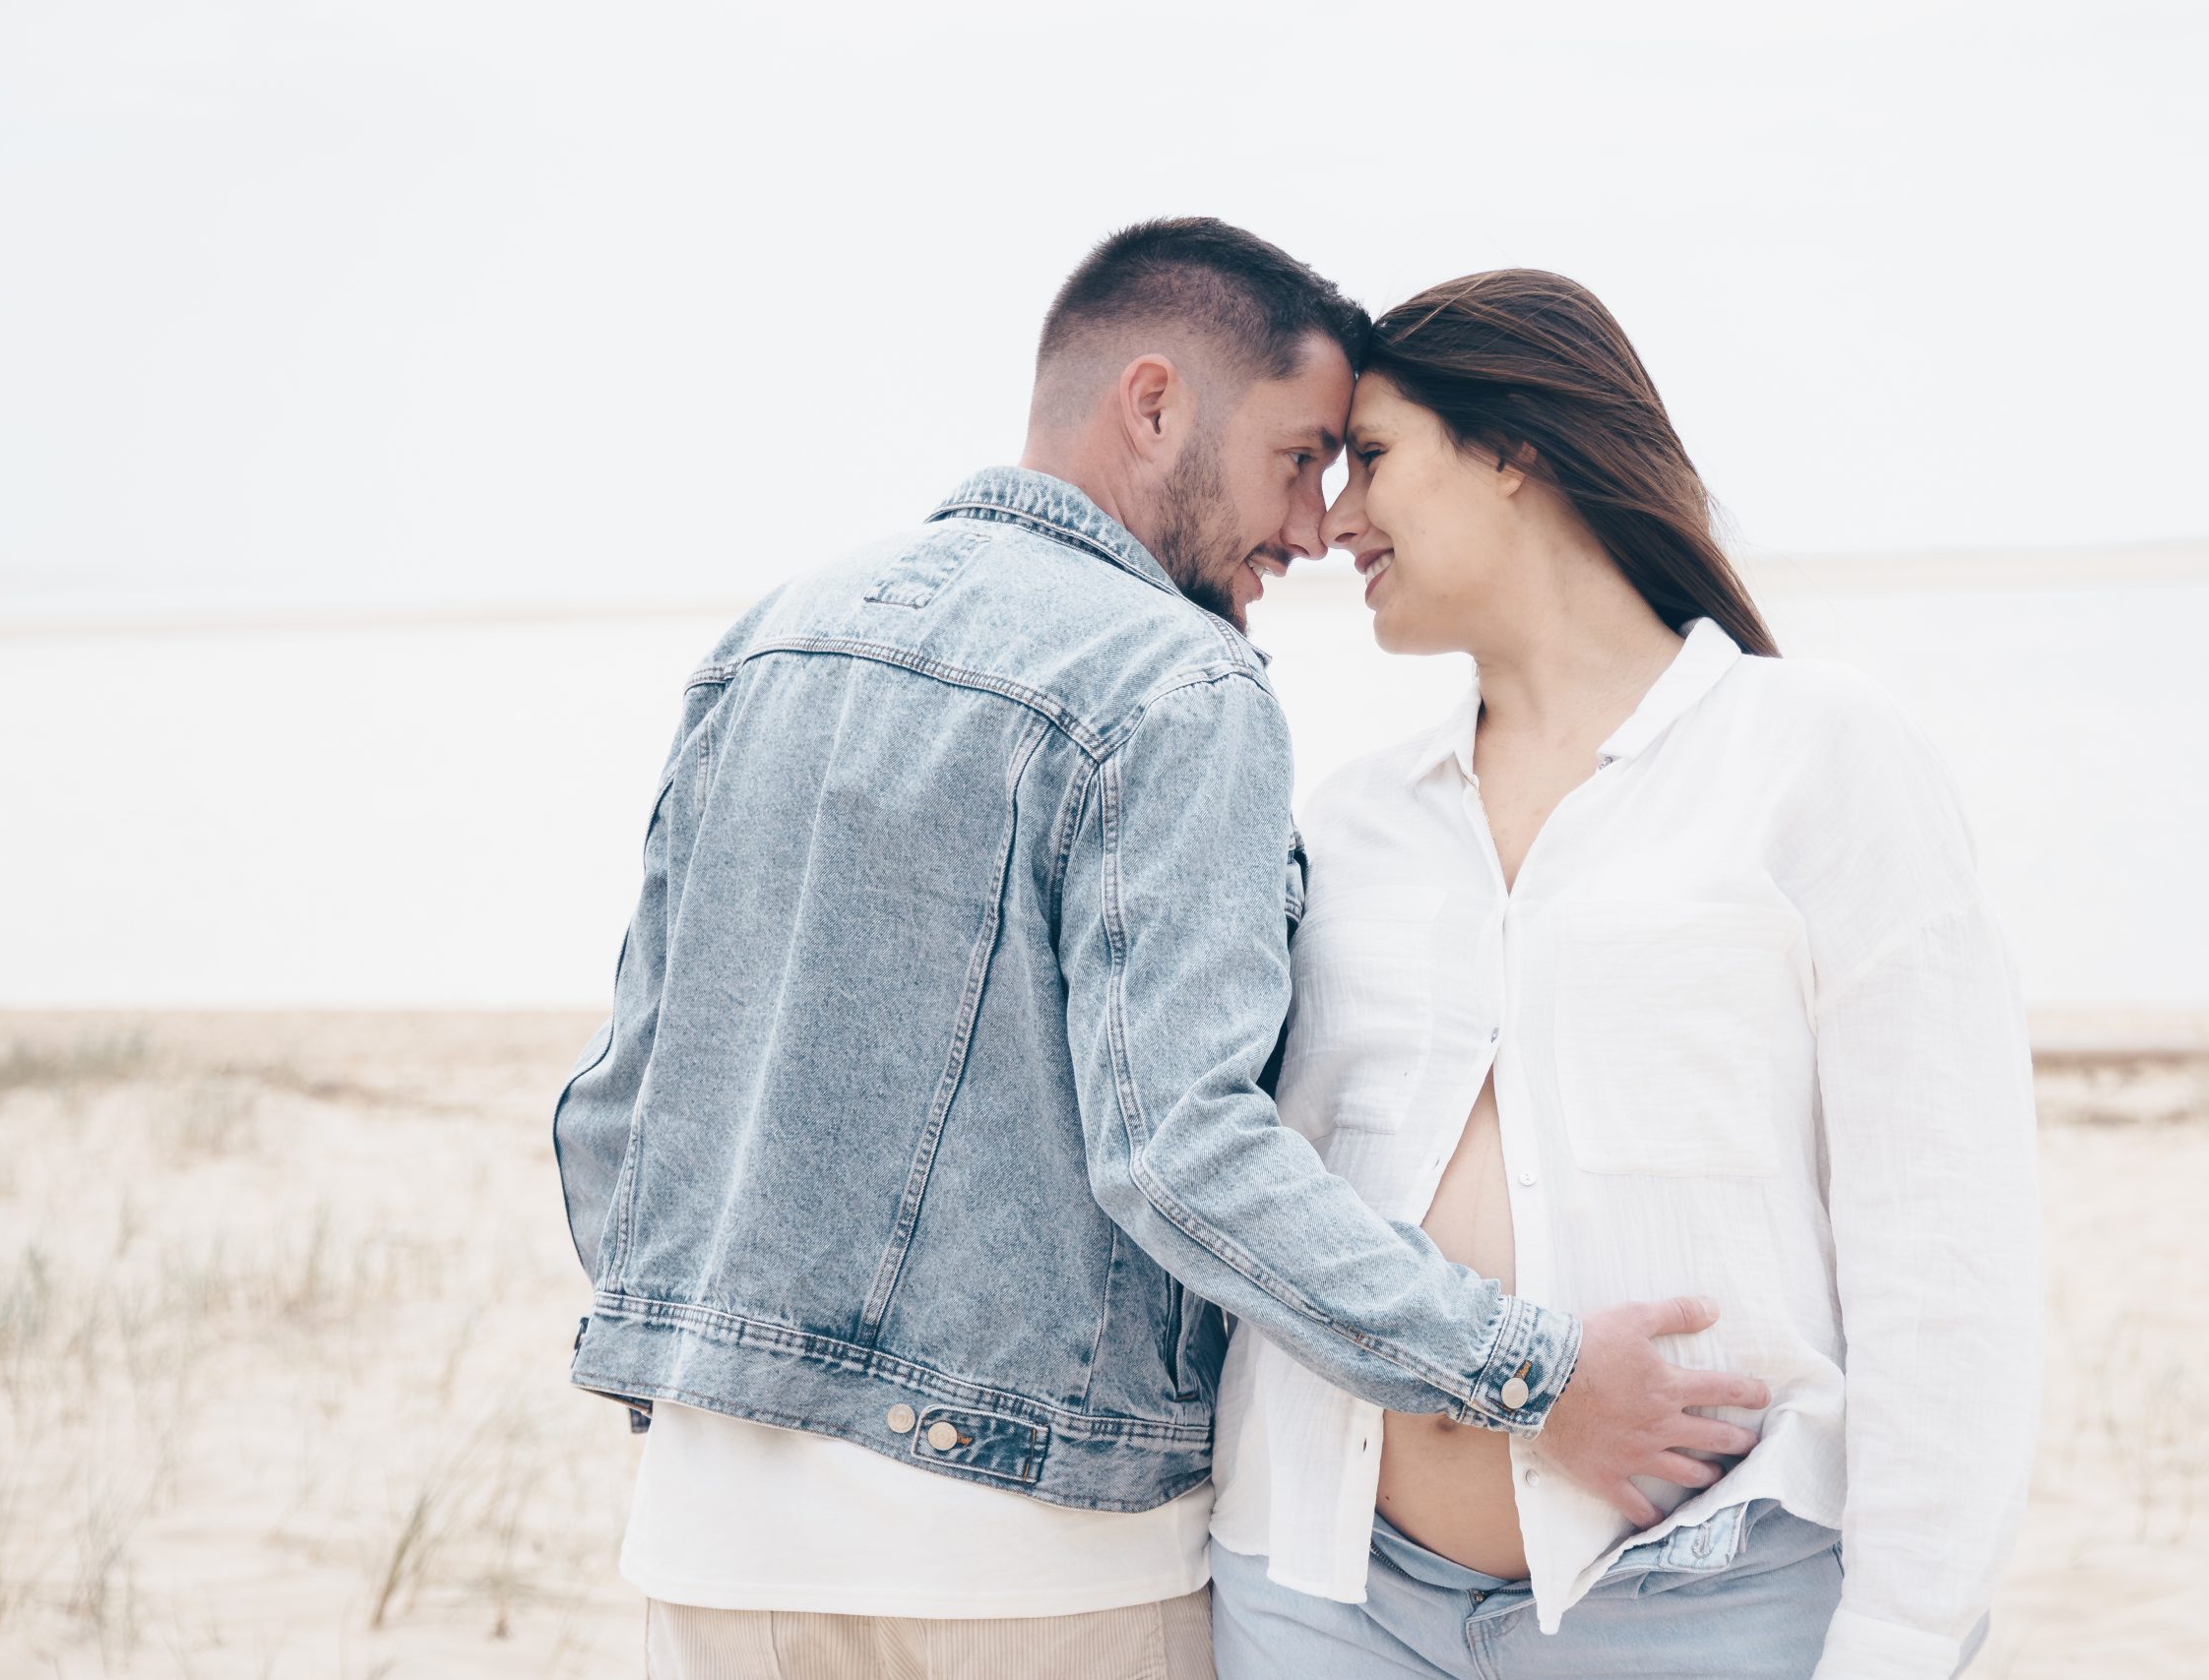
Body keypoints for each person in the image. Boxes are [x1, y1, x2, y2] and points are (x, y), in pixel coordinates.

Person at [551, 221, 1767, 1680]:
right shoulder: (1172, 683)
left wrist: (707, 1402)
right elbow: (1179, 1152)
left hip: (709, 1547)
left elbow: (617, 1108)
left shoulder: (769, 642)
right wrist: (1521, 1371)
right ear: (1153, 403)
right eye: (1298, 455)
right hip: (1032, 1559)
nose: (1315, 527)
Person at [1207, 270, 2043, 1680]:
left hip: (1704, 1607)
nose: (1335, 518)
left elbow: (1945, 1238)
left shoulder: (1816, 754)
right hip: (1322, 1602)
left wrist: (1902, 1636)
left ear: (1514, 449)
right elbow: (1244, 1185)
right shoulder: (1348, 818)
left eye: (1376, 459)